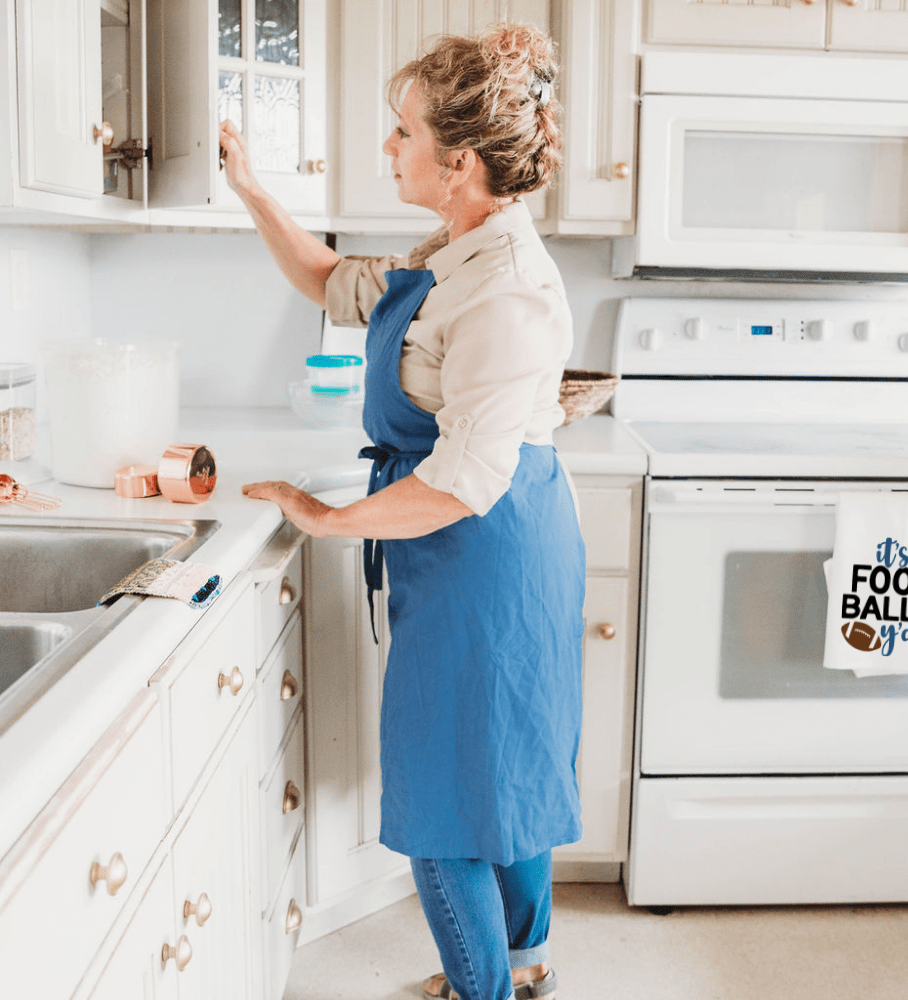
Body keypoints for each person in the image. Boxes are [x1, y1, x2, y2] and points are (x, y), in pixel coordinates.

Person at [221, 21, 584, 1000]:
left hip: (483, 544)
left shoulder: (504, 287)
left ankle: (482, 986)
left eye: (402, 132)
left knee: (445, 793)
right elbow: (333, 284)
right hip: (475, 539)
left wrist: (326, 518)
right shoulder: (458, 247)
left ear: (458, 160)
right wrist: (254, 189)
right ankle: (522, 965)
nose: (389, 147)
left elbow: (464, 479)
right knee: (499, 769)